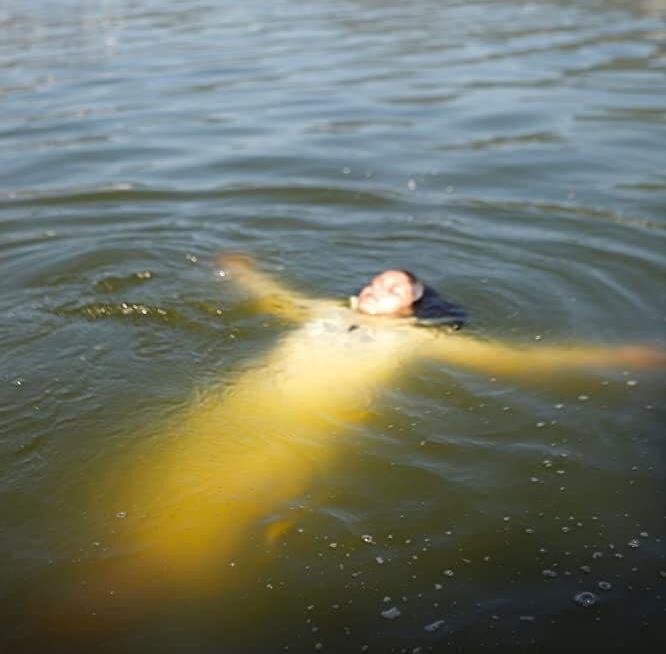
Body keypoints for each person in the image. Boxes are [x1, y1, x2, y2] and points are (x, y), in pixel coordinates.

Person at [56, 257, 665, 634]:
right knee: (155, 493)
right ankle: (105, 601)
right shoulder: (323, 311)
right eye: (375, 280)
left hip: (292, 435)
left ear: (416, 306)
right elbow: (271, 296)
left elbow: (523, 363)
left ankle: (108, 608)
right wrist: (241, 271)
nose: (377, 288)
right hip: (230, 413)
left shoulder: (421, 340)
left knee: (196, 533)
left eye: (394, 287)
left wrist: (617, 357)